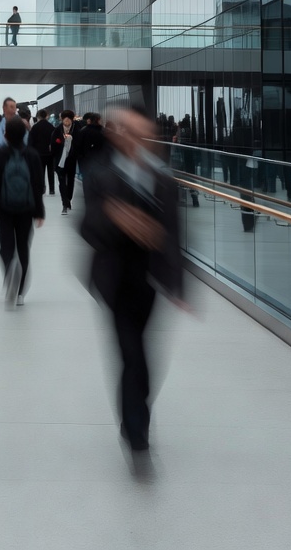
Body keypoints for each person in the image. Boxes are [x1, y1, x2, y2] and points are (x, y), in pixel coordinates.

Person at [80, 108, 184, 460]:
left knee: (144, 354)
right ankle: (136, 426)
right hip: (115, 276)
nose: (133, 138)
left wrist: (179, 285)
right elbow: (86, 227)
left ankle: (136, 412)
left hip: (149, 278)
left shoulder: (163, 178)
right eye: (127, 131)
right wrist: (117, 218)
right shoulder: (99, 174)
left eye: (140, 133)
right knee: (131, 351)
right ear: (116, 134)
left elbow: (174, 234)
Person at [0, 116, 45, 305]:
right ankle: (19, 294)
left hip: (3, 208)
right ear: (25, 134)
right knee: (23, 248)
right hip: (27, 208)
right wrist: (39, 211)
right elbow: (38, 185)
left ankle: (10, 267)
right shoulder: (33, 155)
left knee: (6, 247)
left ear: (6, 135)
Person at [51, 110, 78, 215]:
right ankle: (64, 203)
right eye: (65, 119)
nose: (66, 121)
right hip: (59, 161)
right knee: (62, 182)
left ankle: (69, 198)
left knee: (70, 181)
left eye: (68, 119)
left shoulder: (76, 130)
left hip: (71, 160)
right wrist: (61, 142)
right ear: (62, 120)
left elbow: (79, 144)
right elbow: (53, 145)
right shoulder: (57, 131)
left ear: (71, 120)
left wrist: (72, 141)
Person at [28, 108, 56, 195]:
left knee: (41, 172)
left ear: (38, 116)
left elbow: (30, 141)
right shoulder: (51, 127)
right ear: (46, 116)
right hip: (50, 153)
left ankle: (42, 188)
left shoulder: (35, 127)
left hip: (38, 153)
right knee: (51, 172)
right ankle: (52, 189)